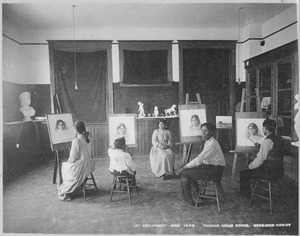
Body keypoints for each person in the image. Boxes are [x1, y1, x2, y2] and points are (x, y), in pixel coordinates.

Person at [175, 123, 226, 206]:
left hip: (215, 171)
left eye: (205, 131)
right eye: (202, 130)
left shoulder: (212, 144)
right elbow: (201, 160)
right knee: (188, 170)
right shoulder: (209, 141)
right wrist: (186, 166)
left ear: (212, 132)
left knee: (184, 173)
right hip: (211, 167)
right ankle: (197, 195)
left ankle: (189, 201)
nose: (202, 133)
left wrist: (183, 167)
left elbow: (199, 159)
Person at [239, 118, 285, 198]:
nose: (263, 129)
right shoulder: (279, 139)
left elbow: (260, 160)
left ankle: (247, 197)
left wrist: (249, 167)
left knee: (243, 173)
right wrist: (261, 147)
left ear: (266, 128)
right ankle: (260, 191)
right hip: (279, 170)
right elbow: (272, 151)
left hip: (269, 172)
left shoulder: (267, 141)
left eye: (263, 127)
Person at [58, 120, 95, 201]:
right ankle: (80, 186)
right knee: (68, 165)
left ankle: (68, 190)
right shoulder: (88, 138)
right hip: (90, 163)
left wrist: (69, 161)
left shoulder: (76, 141)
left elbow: (73, 157)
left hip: (82, 166)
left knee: (64, 166)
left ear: (75, 130)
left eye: (73, 129)